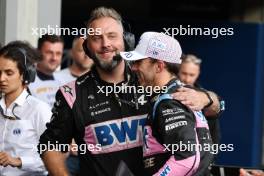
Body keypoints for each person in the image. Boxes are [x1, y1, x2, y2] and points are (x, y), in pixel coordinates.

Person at [38, 7, 223, 176]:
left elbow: (215, 108)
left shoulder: (152, 79)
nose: (105, 44)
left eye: (112, 36)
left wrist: (207, 98)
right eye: (96, 38)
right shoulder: (71, 94)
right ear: (87, 47)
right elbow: (50, 145)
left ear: (126, 40)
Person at [121, 31, 213, 176]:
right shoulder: (181, 93)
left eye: (139, 62)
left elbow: (187, 157)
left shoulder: (169, 102)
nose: (134, 67)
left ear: (159, 66)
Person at [0, 41, 51, 175]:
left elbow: (55, 157)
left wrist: (19, 161)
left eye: (9, 73)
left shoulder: (39, 109)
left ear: (25, 75)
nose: (1, 78)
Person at [178, 54, 222, 146]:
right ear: (178, 71)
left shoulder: (204, 96)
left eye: (191, 75)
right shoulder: (169, 93)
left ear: (198, 73)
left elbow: (213, 130)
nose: (187, 79)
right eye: (184, 73)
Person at [28, 34, 64, 107]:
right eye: (49, 53)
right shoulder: (27, 83)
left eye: (58, 53)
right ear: (38, 53)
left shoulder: (63, 82)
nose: (54, 58)